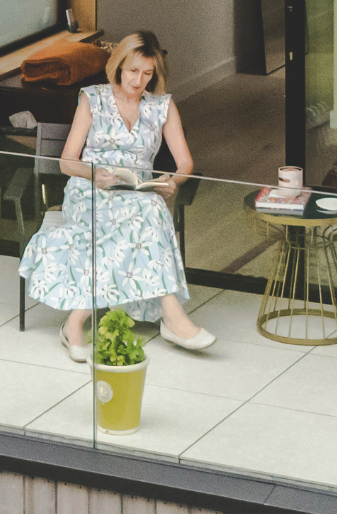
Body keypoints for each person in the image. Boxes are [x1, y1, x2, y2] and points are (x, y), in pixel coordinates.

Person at [18, 31, 215, 364]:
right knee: (135, 221)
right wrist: (95, 175)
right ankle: (173, 317)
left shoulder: (161, 106)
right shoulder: (92, 99)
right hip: (89, 188)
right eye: (133, 71)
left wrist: (173, 180)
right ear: (119, 66)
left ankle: (76, 323)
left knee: (149, 209)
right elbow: (67, 161)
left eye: (148, 74)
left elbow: (185, 162)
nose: (139, 81)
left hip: (136, 192)